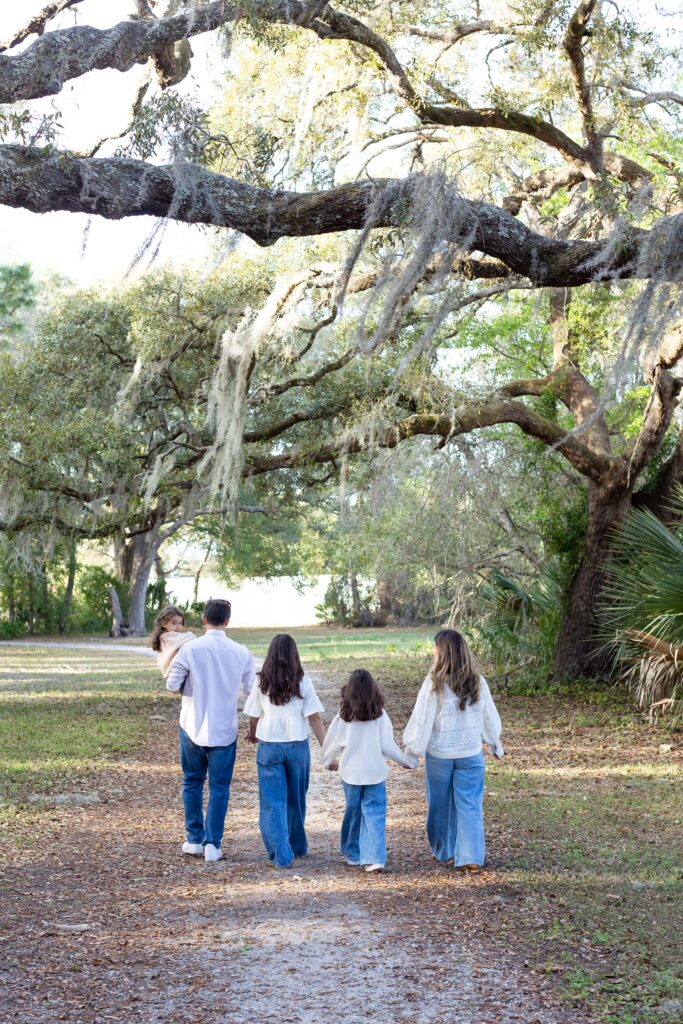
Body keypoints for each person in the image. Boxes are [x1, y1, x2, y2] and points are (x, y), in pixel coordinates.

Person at [403, 628, 504, 871]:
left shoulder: (433, 684)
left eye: (435, 647)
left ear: (443, 652)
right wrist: (494, 744)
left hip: (440, 756)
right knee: (469, 805)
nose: (432, 651)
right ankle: (469, 856)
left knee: (439, 804)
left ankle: (443, 849)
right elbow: (489, 718)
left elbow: (421, 720)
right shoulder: (478, 682)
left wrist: (412, 750)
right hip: (470, 754)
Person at [166, 598, 255, 863]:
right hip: (224, 730)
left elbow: (172, 684)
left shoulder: (190, 649)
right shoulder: (241, 652)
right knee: (219, 787)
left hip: (192, 726)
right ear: (228, 621)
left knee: (192, 781)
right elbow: (252, 694)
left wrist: (189, 685)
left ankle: (194, 839)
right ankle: (213, 844)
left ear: (204, 619)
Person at [321, 668, 416, 873]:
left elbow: (332, 743)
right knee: (375, 814)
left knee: (353, 812)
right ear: (373, 690)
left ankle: (353, 853)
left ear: (349, 691)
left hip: (351, 774)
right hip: (375, 773)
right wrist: (404, 761)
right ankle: (375, 857)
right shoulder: (380, 716)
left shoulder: (344, 717)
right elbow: (388, 746)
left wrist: (328, 761)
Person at [244, 634, 326, 869]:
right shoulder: (303, 681)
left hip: (269, 744)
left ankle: (282, 854)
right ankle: (297, 845)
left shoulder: (261, 681)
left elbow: (254, 715)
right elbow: (315, 717)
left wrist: (253, 733)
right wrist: (327, 749)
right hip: (297, 745)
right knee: (296, 798)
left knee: (273, 801)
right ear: (294, 654)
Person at [150, 605, 194, 678]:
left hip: (171, 671)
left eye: (180, 623)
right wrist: (191, 634)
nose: (178, 626)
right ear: (163, 623)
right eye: (174, 623)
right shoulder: (169, 636)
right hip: (174, 672)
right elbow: (191, 637)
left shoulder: (162, 636)